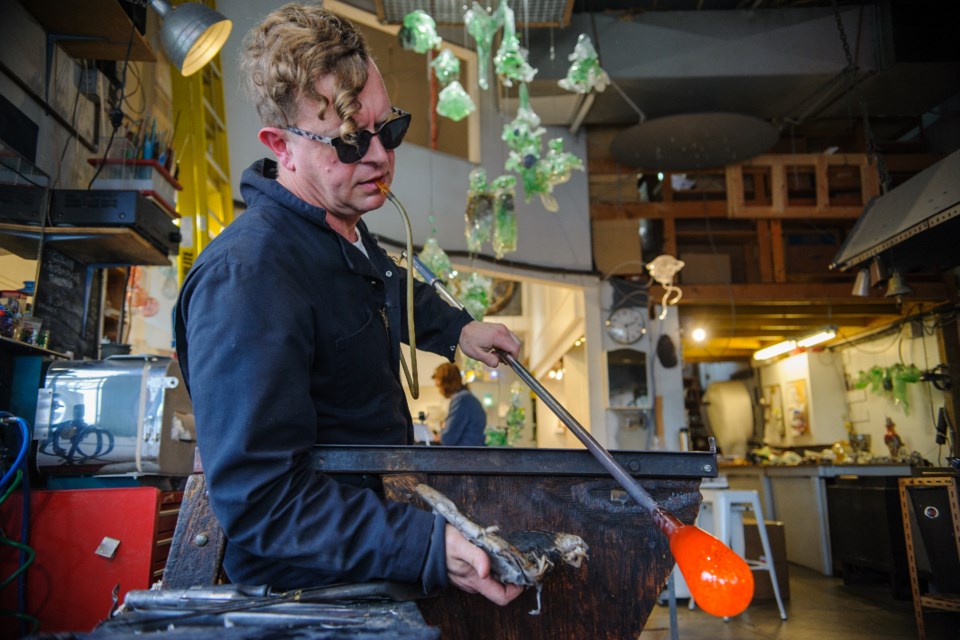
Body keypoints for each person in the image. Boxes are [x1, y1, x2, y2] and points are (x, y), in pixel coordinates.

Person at [174, 3, 523, 607]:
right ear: (280, 145)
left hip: (368, 548)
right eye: (349, 141)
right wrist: (421, 547)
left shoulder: (346, 232)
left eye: (388, 129)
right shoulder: (249, 278)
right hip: (309, 589)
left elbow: (387, 287)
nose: (380, 156)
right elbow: (264, 504)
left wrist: (459, 330)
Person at [433, 362, 487, 446]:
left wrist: (443, 429)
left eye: (439, 386)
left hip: (467, 455)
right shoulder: (467, 398)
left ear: (445, 383)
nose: (439, 390)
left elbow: (447, 438)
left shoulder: (462, 399)